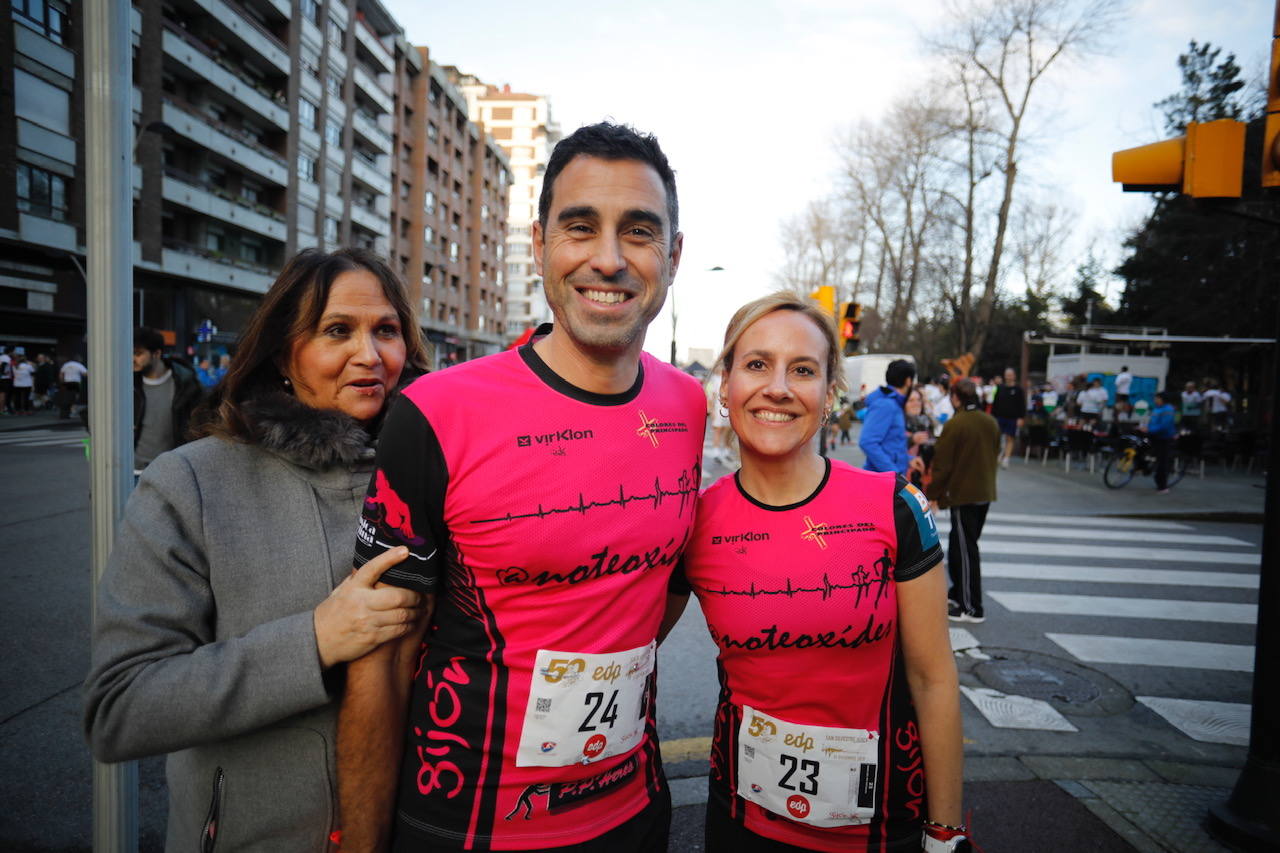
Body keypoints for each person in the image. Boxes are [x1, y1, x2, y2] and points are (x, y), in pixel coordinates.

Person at [338, 122, 706, 852]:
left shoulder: (687, 406)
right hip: (467, 825)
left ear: (673, 254)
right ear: (539, 245)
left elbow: (659, 587)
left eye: (638, 230)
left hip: (635, 814)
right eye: (580, 227)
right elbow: (379, 659)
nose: (609, 258)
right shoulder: (436, 413)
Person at [84, 248, 429, 850]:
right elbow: (119, 707)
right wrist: (315, 641)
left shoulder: (440, 475)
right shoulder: (191, 482)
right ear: (282, 352)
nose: (370, 356)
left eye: (387, 331)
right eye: (337, 331)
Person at [670, 292, 966, 853]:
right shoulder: (694, 520)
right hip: (741, 820)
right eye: (757, 364)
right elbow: (627, 639)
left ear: (829, 395)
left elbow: (933, 680)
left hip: (881, 830)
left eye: (802, 370)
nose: (777, 387)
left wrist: (946, 833)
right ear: (725, 386)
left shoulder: (895, 505)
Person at [926, 379, 999, 624]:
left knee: (966, 549)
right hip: (984, 491)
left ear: (956, 397)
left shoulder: (956, 424)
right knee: (961, 545)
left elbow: (943, 465)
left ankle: (972, 606)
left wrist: (933, 493)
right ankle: (958, 594)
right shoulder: (990, 421)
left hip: (963, 492)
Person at [132, 327, 204, 471]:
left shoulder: (186, 384)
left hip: (171, 471)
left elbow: (200, 426)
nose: (132, 359)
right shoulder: (127, 384)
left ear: (157, 354)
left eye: (138, 353)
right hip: (134, 470)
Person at [859, 358, 917, 475]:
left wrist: (908, 460)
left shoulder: (892, 403)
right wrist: (894, 474)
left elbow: (892, 443)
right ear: (908, 381)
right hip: (883, 481)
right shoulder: (886, 404)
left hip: (887, 477)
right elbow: (867, 442)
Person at [990, 367, 1025, 469]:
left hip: (1012, 418)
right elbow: (995, 403)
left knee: (1010, 437)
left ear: (1014, 376)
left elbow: (1021, 404)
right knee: (998, 437)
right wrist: (993, 416)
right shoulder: (1000, 388)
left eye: (1010, 375)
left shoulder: (1018, 390)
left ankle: (1006, 458)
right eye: (1007, 375)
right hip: (1000, 417)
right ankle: (999, 454)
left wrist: (1021, 417)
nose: (1008, 377)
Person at [1147, 390, 1177, 494]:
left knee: (1162, 462)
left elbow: (1165, 426)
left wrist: (1150, 430)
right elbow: (1151, 422)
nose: (1155, 400)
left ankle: (1163, 486)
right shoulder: (1156, 409)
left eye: (1157, 398)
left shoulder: (1168, 409)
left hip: (1164, 438)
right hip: (1154, 437)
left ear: (1162, 399)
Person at [707, 368, 734, 464]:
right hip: (718, 408)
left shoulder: (732, 377)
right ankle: (716, 453)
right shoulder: (714, 379)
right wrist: (711, 410)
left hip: (730, 408)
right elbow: (711, 396)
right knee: (718, 430)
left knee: (728, 431)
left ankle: (726, 451)